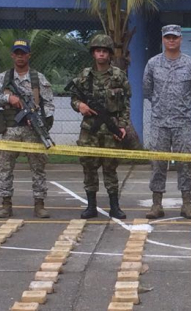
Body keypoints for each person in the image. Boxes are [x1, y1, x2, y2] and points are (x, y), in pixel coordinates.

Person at [0, 39, 54, 219]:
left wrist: (40, 119)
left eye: (23, 53)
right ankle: (5, 204)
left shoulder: (38, 78)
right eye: (17, 53)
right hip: (10, 130)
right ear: (12, 55)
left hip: (32, 131)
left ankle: (39, 204)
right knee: (5, 168)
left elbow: (49, 104)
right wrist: (9, 99)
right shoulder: (4, 78)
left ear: (28, 55)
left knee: (38, 167)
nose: (20, 57)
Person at [143, 24, 191, 220]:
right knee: (158, 164)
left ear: (180, 39)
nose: (171, 40)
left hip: (182, 122)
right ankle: (156, 204)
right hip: (159, 122)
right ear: (163, 39)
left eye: (175, 37)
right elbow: (147, 90)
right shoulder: (152, 64)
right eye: (168, 37)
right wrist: (162, 107)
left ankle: (187, 204)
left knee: (185, 164)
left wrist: (182, 107)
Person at [70, 34, 129, 220]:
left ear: (110, 54)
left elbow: (126, 104)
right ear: (93, 53)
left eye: (105, 51)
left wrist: (123, 126)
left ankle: (114, 206)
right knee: (89, 167)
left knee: (111, 169)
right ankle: (91, 206)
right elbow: (74, 98)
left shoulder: (119, 76)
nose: (101, 54)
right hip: (90, 130)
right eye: (98, 51)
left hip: (111, 128)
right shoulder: (84, 76)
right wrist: (80, 106)